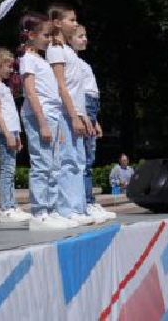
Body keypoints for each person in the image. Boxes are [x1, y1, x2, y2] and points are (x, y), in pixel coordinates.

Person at [45, 4, 102, 224]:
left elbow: (78, 89)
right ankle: (68, 208)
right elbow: (62, 86)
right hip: (65, 114)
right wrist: (73, 115)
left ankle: (79, 207)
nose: (75, 24)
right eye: (71, 20)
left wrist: (85, 116)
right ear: (58, 23)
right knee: (68, 160)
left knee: (78, 160)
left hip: (77, 112)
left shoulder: (69, 51)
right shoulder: (55, 50)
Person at [18, 12, 75, 231]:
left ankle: (51, 209)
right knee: (42, 165)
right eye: (45, 35)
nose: (49, 39)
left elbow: (52, 95)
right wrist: (42, 122)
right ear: (31, 35)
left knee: (54, 164)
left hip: (52, 115)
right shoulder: (27, 59)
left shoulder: (40, 60)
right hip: (38, 115)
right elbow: (31, 93)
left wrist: (57, 123)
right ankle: (40, 212)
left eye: (51, 35)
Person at [65, 24, 112, 221]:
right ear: (69, 39)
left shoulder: (80, 62)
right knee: (84, 160)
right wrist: (83, 116)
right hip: (84, 106)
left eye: (85, 36)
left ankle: (88, 200)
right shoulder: (72, 61)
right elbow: (77, 92)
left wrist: (94, 119)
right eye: (80, 36)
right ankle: (86, 201)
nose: (85, 39)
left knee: (88, 159)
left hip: (90, 108)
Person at [0, 47, 30, 226]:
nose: (11, 70)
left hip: (11, 132)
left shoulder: (3, 86)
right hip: (4, 133)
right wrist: (8, 134)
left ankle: (12, 204)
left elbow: (11, 113)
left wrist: (16, 134)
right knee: (7, 171)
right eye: (8, 66)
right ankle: (6, 208)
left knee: (10, 170)